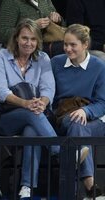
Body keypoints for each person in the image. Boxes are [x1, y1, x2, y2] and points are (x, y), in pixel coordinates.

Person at [0, 18, 60, 199]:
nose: (29, 43)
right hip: (4, 116)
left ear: (38, 41)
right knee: (33, 114)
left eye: (33, 39)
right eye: (25, 38)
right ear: (16, 38)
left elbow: (48, 88)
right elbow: (1, 92)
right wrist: (26, 104)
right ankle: (60, 151)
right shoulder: (1, 57)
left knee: (32, 130)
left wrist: (42, 102)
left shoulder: (43, 58)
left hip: (33, 114)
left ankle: (26, 187)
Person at [51, 24, 105, 198]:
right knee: (75, 123)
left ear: (85, 45)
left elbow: (103, 102)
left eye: (73, 45)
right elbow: (50, 96)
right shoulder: (56, 63)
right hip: (64, 116)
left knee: (78, 124)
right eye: (65, 44)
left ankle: (74, 192)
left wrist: (86, 111)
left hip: (93, 119)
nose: (67, 48)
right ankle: (90, 184)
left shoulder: (99, 66)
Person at [0, 0, 65, 57]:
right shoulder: (11, 2)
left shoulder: (45, 1)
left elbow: (62, 26)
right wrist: (32, 26)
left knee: (71, 45)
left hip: (48, 43)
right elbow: (3, 34)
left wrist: (58, 19)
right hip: (25, 48)